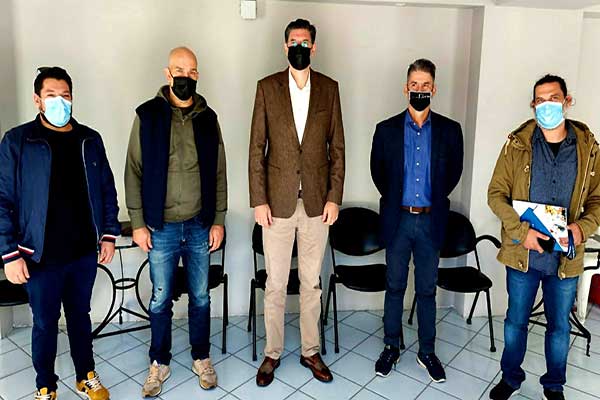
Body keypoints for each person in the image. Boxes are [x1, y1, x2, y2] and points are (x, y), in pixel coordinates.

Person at [0, 66, 119, 400]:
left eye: (65, 96)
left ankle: (86, 375)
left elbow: (107, 190)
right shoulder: (19, 141)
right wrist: (9, 254)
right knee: (45, 323)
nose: (59, 102)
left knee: (80, 316)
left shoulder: (89, 140)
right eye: (51, 95)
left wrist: (108, 234)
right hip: (39, 255)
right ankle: (45, 386)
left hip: (82, 252)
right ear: (37, 100)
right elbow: (2, 199)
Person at [487, 74, 600, 400]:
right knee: (515, 322)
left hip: (565, 257)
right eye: (540, 100)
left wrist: (582, 228)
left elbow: (597, 200)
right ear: (533, 105)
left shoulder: (588, 149)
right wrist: (521, 233)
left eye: (554, 98)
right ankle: (510, 379)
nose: (546, 105)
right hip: (524, 254)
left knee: (559, 327)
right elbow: (495, 195)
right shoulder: (516, 146)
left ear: (567, 101)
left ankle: (554, 386)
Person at [125, 47, 228, 397]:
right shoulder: (148, 115)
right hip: (161, 227)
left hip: (199, 225)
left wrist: (218, 219)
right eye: (179, 70)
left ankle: (201, 357)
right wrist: (138, 222)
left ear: (197, 75)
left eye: (192, 71)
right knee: (160, 298)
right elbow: (133, 170)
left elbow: (219, 172)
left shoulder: (208, 118)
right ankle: (159, 361)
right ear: (168, 74)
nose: (186, 76)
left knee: (200, 296)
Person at [248, 18, 345, 387]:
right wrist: (259, 200)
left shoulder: (329, 89)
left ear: (314, 47)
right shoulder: (267, 87)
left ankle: (310, 350)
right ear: (285, 47)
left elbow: (337, 148)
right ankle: (272, 353)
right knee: (275, 284)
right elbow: (256, 148)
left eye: (305, 42)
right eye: (294, 42)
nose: (299, 47)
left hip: (318, 204)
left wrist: (334, 197)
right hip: (277, 204)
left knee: (311, 283)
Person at [370, 59, 464, 382]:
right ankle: (391, 346)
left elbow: (453, 174)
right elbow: (379, 173)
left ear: (433, 89)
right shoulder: (386, 130)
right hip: (397, 220)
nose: (419, 90)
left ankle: (427, 351)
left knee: (426, 290)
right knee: (394, 286)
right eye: (414, 85)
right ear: (406, 88)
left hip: (429, 221)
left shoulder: (450, 131)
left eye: (425, 85)